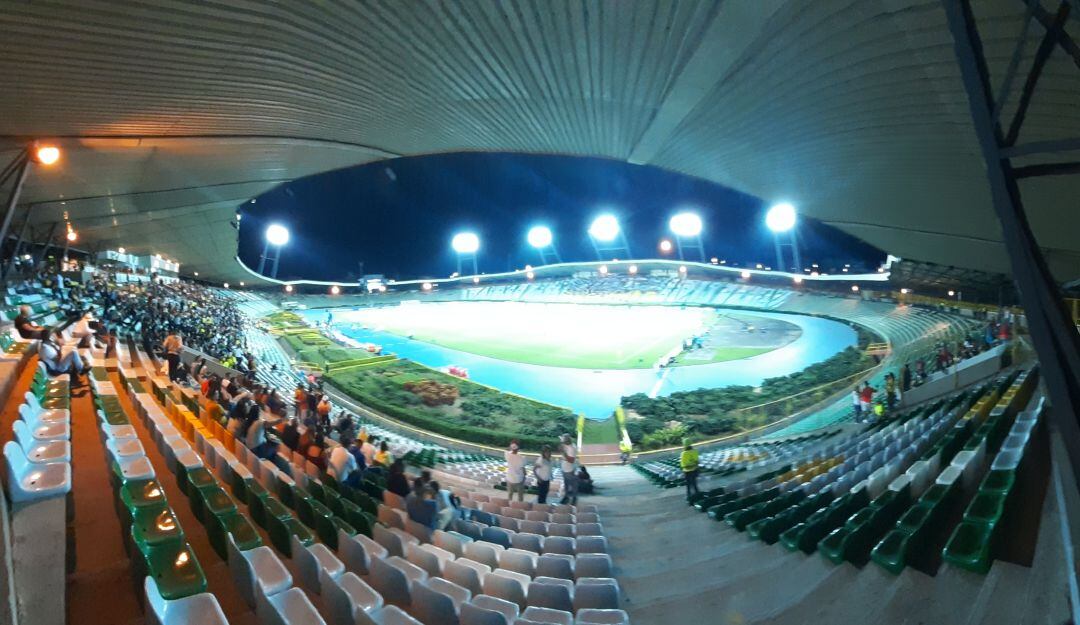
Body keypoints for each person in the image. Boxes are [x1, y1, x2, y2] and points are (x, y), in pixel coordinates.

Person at [559, 434, 578, 505]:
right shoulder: (565, 445)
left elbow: (571, 460)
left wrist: (564, 453)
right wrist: (561, 444)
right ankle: (566, 497)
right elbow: (559, 449)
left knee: (572, 484)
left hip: (569, 469)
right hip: (564, 468)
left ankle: (574, 498)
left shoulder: (572, 448)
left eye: (564, 440)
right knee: (566, 484)